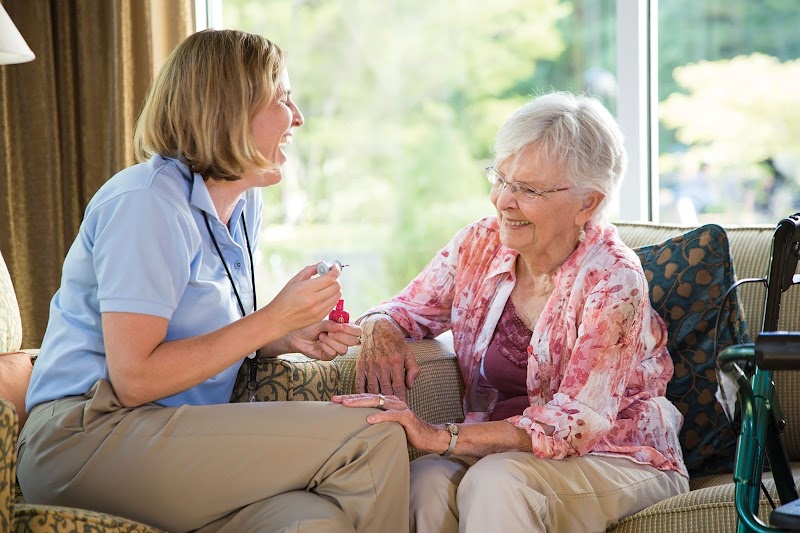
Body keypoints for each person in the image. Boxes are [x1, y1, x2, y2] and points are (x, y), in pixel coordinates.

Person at [18, 29, 409, 533]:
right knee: (373, 433)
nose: (298, 118)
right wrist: (271, 318)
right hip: (86, 440)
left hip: (174, 436)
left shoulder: (245, 204)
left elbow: (199, 339)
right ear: (230, 109)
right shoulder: (147, 204)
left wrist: (280, 337)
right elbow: (135, 379)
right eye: (283, 98)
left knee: (313, 521)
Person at [333, 92, 689, 532]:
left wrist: (442, 437)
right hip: (509, 454)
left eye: (529, 189)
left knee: (497, 480)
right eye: (501, 179)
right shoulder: (479, 245)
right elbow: (404, 309)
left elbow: (577, 422)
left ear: (588, 203)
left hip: (622, 458)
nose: (504, 200)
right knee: (425, 480)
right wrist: (381, 327)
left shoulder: (614, 279)